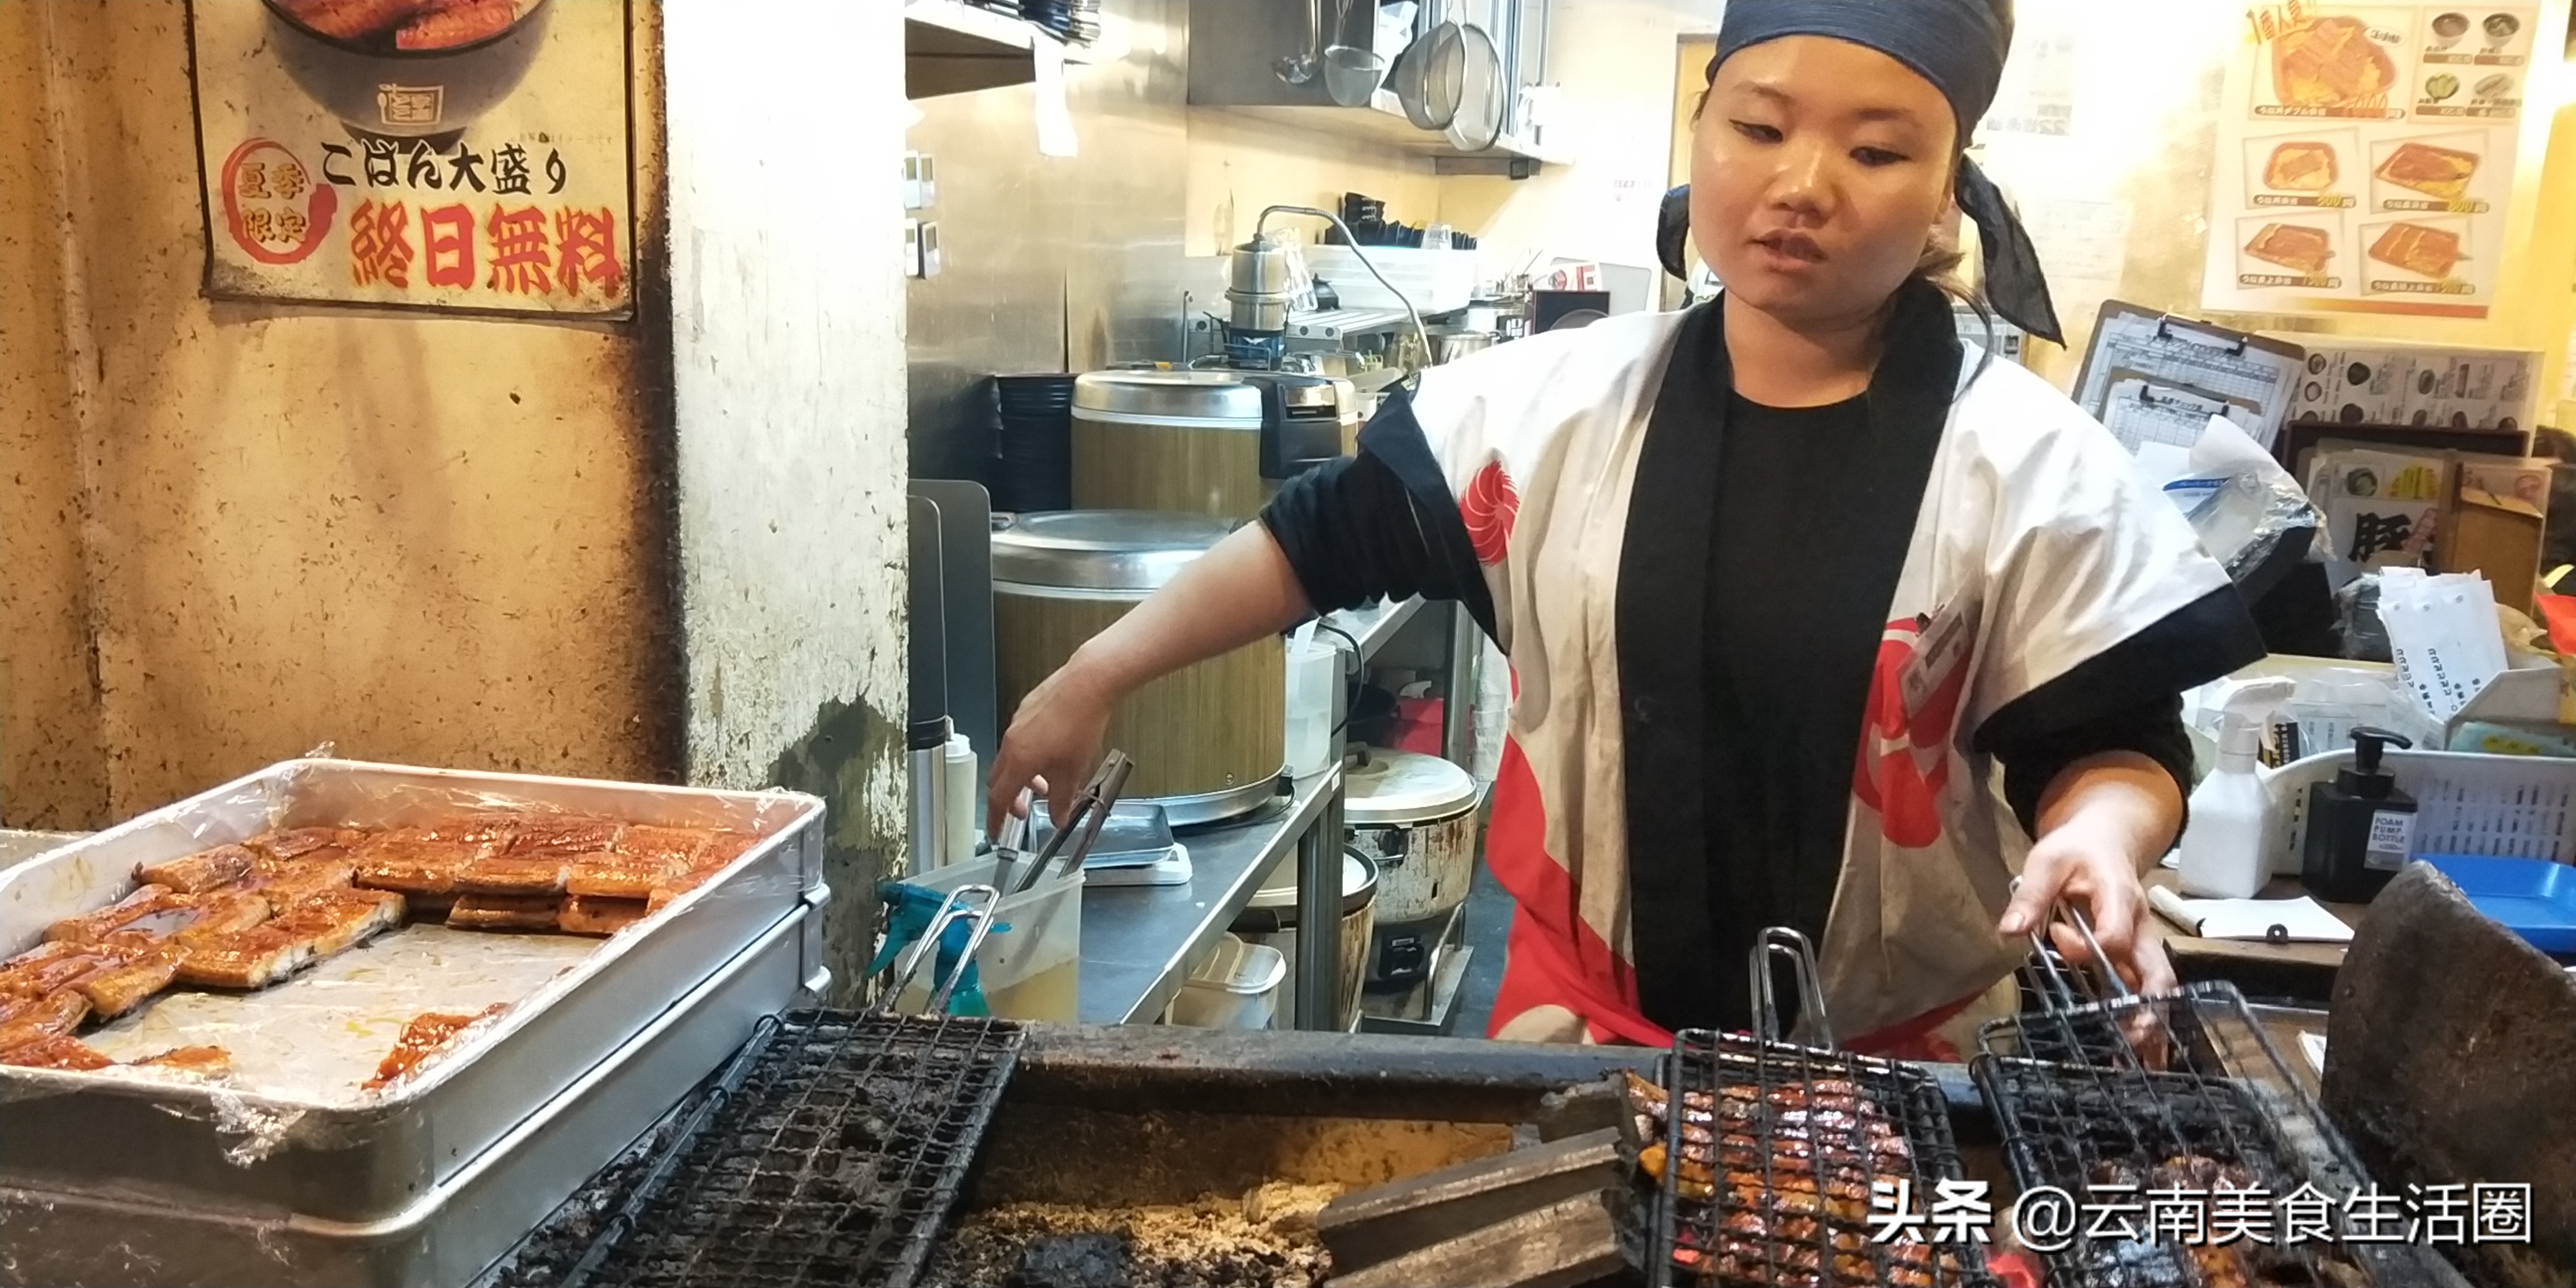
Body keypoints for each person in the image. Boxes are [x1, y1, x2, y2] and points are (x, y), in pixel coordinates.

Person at [989, 0, 2265, 1057]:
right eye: (1758, 127)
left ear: (1949, 199)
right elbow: (1314, 542)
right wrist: (1094, 674)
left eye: (1877, 154)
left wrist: (2100, 833)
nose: (1802, 185)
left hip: (1902, 1071)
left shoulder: (2026, 464)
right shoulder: (1549, 408)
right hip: (1582, 1040)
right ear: (1701, 133)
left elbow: (2110, 739)